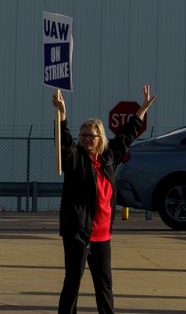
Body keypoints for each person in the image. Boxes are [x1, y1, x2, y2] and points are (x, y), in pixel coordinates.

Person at [53, 84, 155, 314]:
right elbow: (65, 145)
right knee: (72, 284)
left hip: (102, 235)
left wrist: (143, 109)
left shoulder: (109, 157)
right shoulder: (76, 159)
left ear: (100, 137)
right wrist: (62, 116)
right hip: (78, 233)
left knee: (104, 287)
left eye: (91, 135)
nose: (87, 139)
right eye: (84, 135)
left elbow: (127, 134)